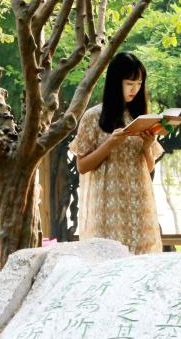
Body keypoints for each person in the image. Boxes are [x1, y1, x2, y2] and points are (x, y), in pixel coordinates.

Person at [70, 51, 163, 254]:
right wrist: (110, 143)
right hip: (107, 206)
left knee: (141, 262)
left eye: (139, 84)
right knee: (109, 260)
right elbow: (82, 166)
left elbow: (148, 168)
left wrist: (147, 145)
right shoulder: (92, 117)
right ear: (115, 82)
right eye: (129, 83)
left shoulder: (140, 117)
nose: (135, 89)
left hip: (139, 204)